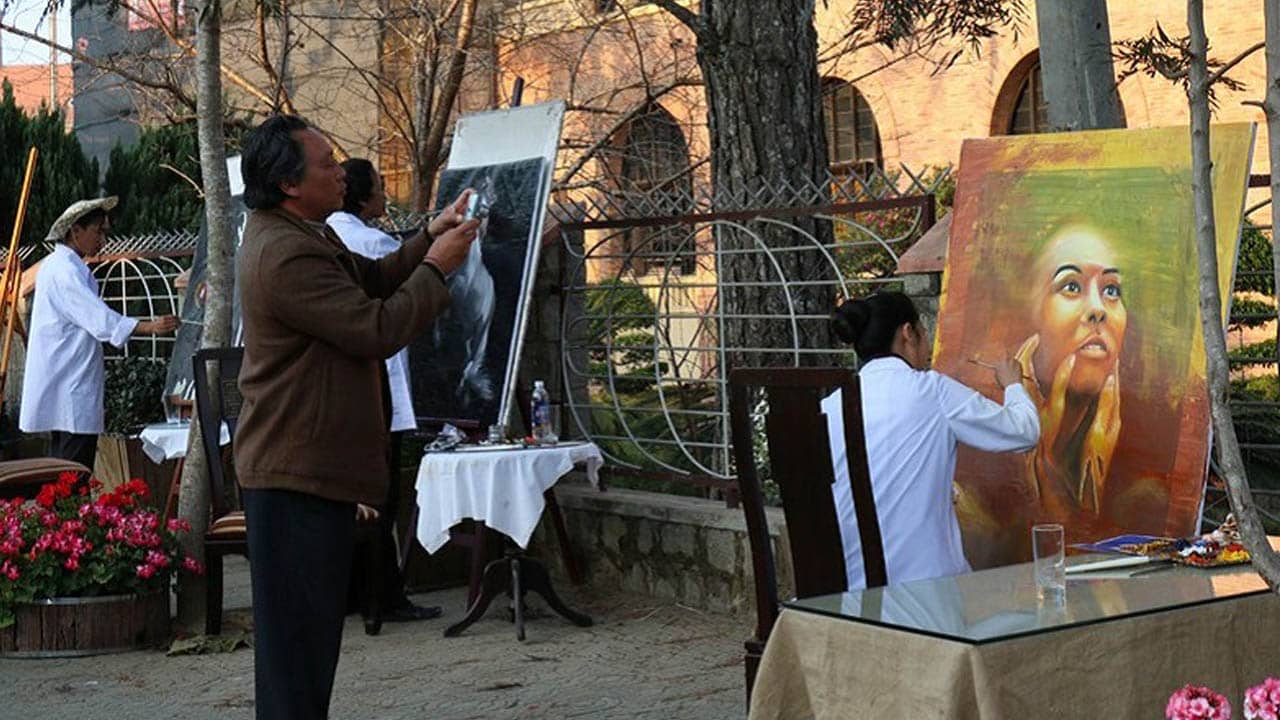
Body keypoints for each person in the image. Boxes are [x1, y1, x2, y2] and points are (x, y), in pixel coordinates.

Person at [235, 115, 478, 720]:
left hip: (306, 468)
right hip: (293, 474)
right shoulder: (283, 251)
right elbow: (375, 328)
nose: (341, 172)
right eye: (325, 164)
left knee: (310, 651)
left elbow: (370, 281)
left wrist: (427, 238)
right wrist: (440, 268)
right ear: (289, 184)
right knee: (297, 658)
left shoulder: (304, 233)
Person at [824, 292, 1039, 589]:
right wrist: (1013, 384)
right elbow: (1024, 431)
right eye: (925, 331)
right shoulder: (931, 391)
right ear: (907, 334)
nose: (929, 344)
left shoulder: (831, 405)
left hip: (848, 596)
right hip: (927, 594)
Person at [326, 158, 444, 622]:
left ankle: (356, 593)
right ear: (360, 196)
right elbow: (404, 292)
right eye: (378, 189)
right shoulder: (370, 242)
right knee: (381, 497)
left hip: (342, 396)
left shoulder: (327, 237)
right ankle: (384, 597)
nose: (383, 197)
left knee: (349, 496)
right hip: (381, 388)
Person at [20, 196, 179, 469]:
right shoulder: (63, 270)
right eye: (98, 231)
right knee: (72, 471)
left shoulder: (64, 267)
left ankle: (63, 511)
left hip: (67, 381)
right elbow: (99, 319)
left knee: (63, 470)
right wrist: (149, 326)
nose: (103, 240)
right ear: (75, 231)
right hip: (69, 385)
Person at [1014, 226, 1126, 520]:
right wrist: (1043, 462)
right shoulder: (990, 418)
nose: (1097, 309)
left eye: (1111, 290)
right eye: (1072, 286)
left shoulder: (1145, 475)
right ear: (1034, 309)